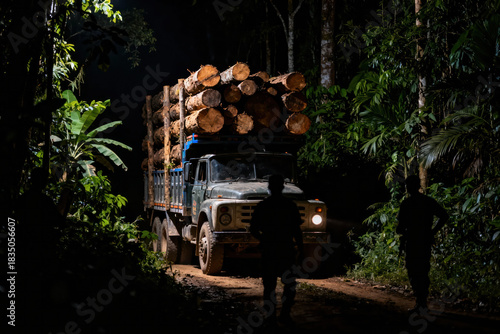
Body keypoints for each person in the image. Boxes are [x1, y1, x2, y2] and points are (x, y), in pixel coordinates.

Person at [250, 174, 304, 325]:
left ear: (269, 187)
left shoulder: (263, 206)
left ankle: (271, 315)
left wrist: (263, 239)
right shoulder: (290, 205)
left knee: (269, 285)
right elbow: (296, 231)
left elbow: (253, 229)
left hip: (269, 250)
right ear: (282, 187)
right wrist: (301, 249)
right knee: (289, 284)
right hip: (286, 249)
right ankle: (285, 314)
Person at [397, 175, 449, 313]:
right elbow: (444, 216)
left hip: (414, 241)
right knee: (422, 270)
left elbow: (400, 227)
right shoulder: (427, 201)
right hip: (423, 240)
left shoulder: (407, 203)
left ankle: (420, 302)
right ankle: (421, 302)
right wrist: (432, 231)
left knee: (414, 270)